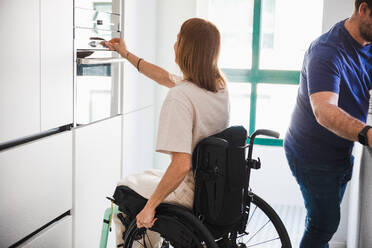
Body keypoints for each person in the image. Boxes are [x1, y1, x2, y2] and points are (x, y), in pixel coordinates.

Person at [105, 18, 229, 246]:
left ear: (186, 48)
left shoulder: (180, 97)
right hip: (212, 187)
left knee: (124, 189)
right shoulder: (218, 86)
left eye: (178, 39)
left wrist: (150, 207)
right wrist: (126, 53)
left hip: (189, 191)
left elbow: (181, 165)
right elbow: (164, 77)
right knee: (146, 175)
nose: (174, 44)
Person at [284, 0, 372, 247]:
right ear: (363, 9)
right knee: (325, 223)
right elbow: (323, 110)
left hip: (339, 152)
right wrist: (367, 133)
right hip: (310, 154)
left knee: (322, 221)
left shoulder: (368, 44)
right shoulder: (326, 51)